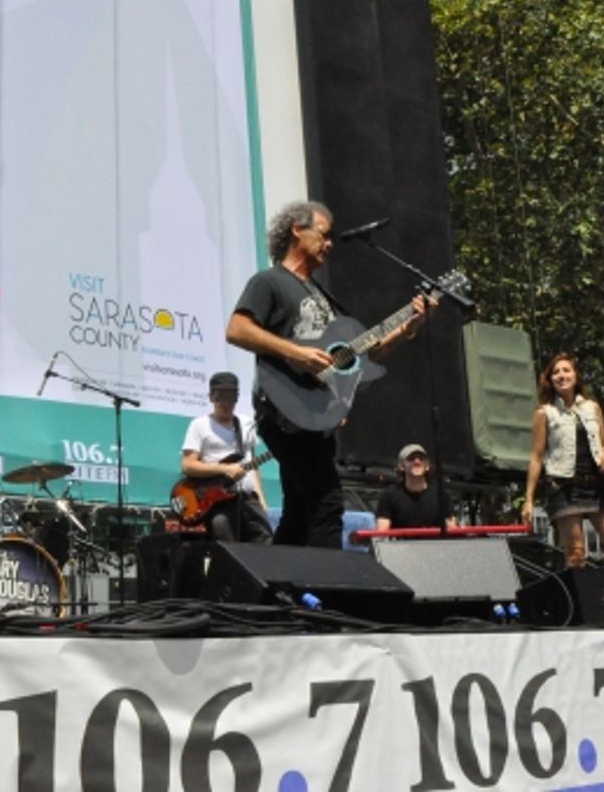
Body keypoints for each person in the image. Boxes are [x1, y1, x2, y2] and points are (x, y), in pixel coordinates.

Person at [225, 200, 431, 548]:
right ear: (297, 230)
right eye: (324, 234)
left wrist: (409, 326)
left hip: (315, 416)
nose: (331, 243)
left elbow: (367, 353)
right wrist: (297, 353)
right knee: (327, 502)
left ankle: (279, 590)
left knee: (299, 512)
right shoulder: (269, 281)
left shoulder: (324, 296)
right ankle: (326, 590)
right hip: (283, 409)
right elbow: (237, 329)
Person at [521, 354, 604, 568]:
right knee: (576, 553)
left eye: (566, 370)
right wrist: (528, 499)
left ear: (576, 376)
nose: (561, 376)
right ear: (549, 380)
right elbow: (536, 456)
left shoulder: (592, 407)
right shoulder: (545, 413)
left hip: (598, 484)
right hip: (565, 486)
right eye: (556, 372)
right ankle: (579, 600)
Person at [178, 371, 273, 543]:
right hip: (217, 500)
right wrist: (225, 469)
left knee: (265, 540)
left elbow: (253, 464)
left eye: (231, 397)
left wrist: (261, 499)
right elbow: (187, 464)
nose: (226, 403)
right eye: (220, 397)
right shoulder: (199, 425)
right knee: (223, 533)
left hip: (247, 497)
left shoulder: (246, 424)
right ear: (211, 396)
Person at [376, 443, 456, 531]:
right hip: (401, 544)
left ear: (427, 466)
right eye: (411, 459)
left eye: (421, 459)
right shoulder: (388, 496)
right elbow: (382, 533)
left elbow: (452, 529)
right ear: (401, 466)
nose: (417, 462)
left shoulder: (442, 495)